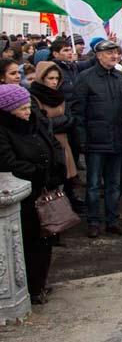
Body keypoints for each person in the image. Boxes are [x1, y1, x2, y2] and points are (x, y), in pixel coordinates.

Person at [0, 84, 65, 304]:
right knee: (29, 242)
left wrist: (56, 167)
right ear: (8, 111)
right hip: (24, 194)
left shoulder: (34, 122)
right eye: (22, 109)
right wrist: (38, 172)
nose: (27, 112)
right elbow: (9, 162)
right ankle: (31, 288)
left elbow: (53, 144)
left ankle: (40, 283)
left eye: (28, 107)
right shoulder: (4, 131)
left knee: (45, 239)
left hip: (44, 189)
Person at [73, 40, 122, 238]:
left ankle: (112, 220)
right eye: (110, 53)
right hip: (95, 140)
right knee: (92, 185)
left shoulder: (120, 76)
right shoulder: (85, 78)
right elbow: (78, 112)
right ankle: (93, 221)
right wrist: (82, 140)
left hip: (118, 139)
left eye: (116, 53)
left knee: (114, 184)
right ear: (98, 55)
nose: (115, 56)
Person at [29, 62, 84, 212]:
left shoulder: (60, 96)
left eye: (57, 78)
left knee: (66, 177)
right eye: (50, 78)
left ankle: (68, 204)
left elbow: (70, 118)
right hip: (47, 144)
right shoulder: (33, 96)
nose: (54, 82)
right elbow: (41, 122)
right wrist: (61, 122)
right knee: (52, 180)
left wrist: (58, 122)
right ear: (42, 78)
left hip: (63, 141)